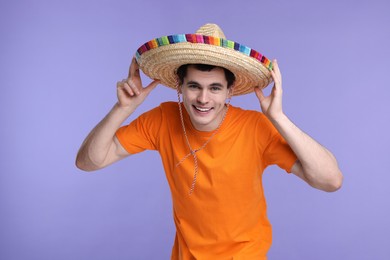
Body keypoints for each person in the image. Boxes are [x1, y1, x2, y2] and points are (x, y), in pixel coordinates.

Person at [76, 24, 343, 259]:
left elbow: (330, 180)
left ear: (229, 91)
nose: (203, 99)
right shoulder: (162, 119)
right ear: (180, 86)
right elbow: (89, 162)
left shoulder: (255, 127)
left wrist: (278, 117)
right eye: (194, 86)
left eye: (214, 88)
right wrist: (122, 108)